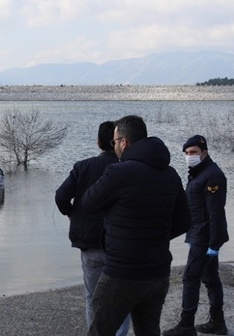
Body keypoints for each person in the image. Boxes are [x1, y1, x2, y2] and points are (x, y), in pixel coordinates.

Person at [80, 115, 191, 336]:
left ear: (124, 142)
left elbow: (88, 202)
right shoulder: (170, 174)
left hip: (122, 271)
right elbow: (184, 221)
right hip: (157, 272)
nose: (114, 147)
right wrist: (153, 237)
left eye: (114, 142)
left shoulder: (119, 172)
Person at [55, 121, 131, 335]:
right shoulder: (126, 169)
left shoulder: (83, 166)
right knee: (121, 300)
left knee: (92, 297)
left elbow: (61, 196)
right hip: (119, 245)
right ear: (120, 143)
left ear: (98, 142)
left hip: (90, 243)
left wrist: (72, 214)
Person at [163, 135, 229, 336]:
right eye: (187, 153)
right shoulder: (199, 173)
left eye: (193, 153)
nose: (189, 156)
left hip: (205, 237)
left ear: (204, 153)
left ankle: (186, 325)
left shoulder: (212, 176)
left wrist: (214, 244)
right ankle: (217, 323)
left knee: (190, 278)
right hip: (198, 234)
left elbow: (215, 212)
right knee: (210, 278)